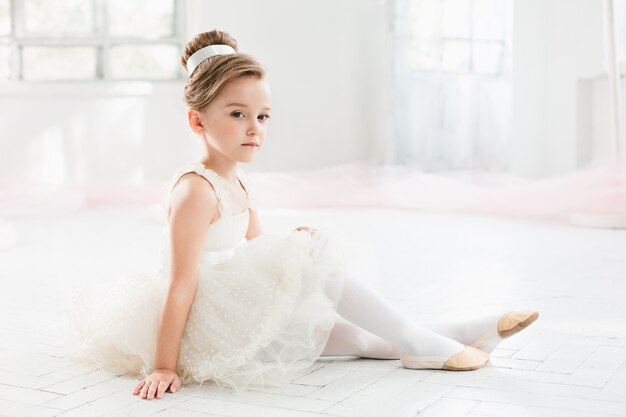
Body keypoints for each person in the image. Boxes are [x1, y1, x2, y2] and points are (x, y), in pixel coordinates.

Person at [64, 29, 539, 401]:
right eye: (237, 114)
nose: (254, 128)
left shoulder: (238, 183)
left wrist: (293, 248)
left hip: (236, 311)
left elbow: (255, 255)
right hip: (205, 327)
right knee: (330, 298)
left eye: (263, 116)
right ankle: (424, 339)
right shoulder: (195, 190)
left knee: (350, 335)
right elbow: (180, 283)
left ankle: (455, 332)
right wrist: (165, 365)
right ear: (197, 120)